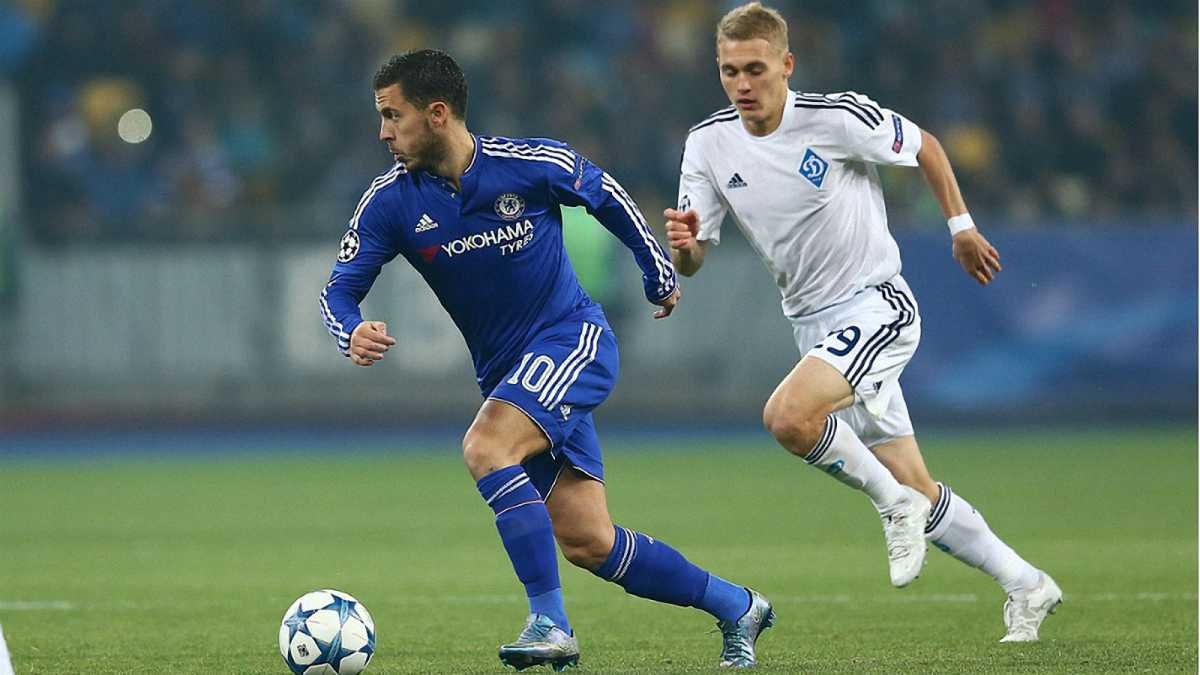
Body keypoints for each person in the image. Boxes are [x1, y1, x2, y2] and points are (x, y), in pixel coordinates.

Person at [320, 49, 775, 671]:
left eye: (392, 115)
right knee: (590, 541)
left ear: (437, 113)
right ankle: (738, 605)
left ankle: (550, 623)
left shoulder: (530, 165)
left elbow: (606, 194)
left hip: (572, 341)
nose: (383, 133)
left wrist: (656, 270)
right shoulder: (390, 203)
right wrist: (350, 330)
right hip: (510, 378)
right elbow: (338, 290)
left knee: (487, 447)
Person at [665, 2, 1061, 643]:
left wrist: (961, 227)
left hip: (877, 306)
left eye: (755, 69)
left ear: (786, 65)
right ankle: (1027, 584)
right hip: (811, 325)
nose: (742, 84)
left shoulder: (837, 118)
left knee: (788, 417)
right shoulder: (708, 143)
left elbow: (926, 145)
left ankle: (892, 505)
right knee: (915, 481)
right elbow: (695, 258)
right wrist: (684, 246)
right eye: (729, 71)